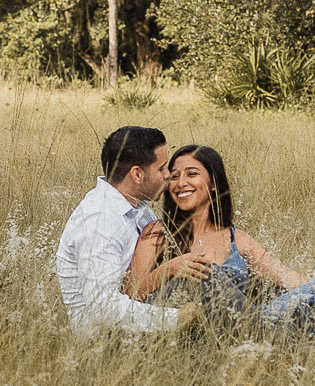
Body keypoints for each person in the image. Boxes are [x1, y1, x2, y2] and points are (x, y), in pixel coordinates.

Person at [126, 142, 315, 335]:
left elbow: (288, 279)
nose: (180, 183)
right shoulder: (157, 232)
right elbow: (130, 294)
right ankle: (259, 329)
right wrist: (171, 268)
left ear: (214, 183)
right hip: (186, 328)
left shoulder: (238, 239)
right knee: (210, 274)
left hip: (239, 326)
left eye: (192, 174)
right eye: (174, 177)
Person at [54, 125, 204, 336]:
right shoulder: (100, 222)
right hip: (107, 342)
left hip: (143, 317)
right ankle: (261, 329)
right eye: (161, 169)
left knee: (210, 274)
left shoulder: (136, 207)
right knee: (211, 289)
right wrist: (178, 318)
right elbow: (103, 308)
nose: (168, 175)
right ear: (137, 174)